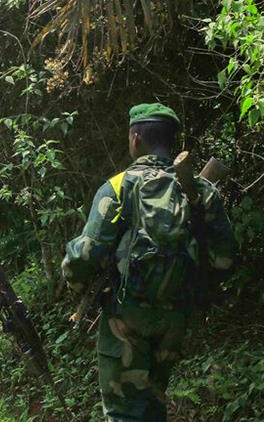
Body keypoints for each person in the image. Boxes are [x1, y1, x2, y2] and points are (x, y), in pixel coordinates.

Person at [62, 103, 235, 421]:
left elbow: (81, 257)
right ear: (171, 143)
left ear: (135, 138)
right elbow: (225, 261)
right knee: (154, 400)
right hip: (176, 318)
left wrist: (80, 288)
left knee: (124, 411)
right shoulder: (200, 191)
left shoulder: (117, 187)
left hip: (125, 319)